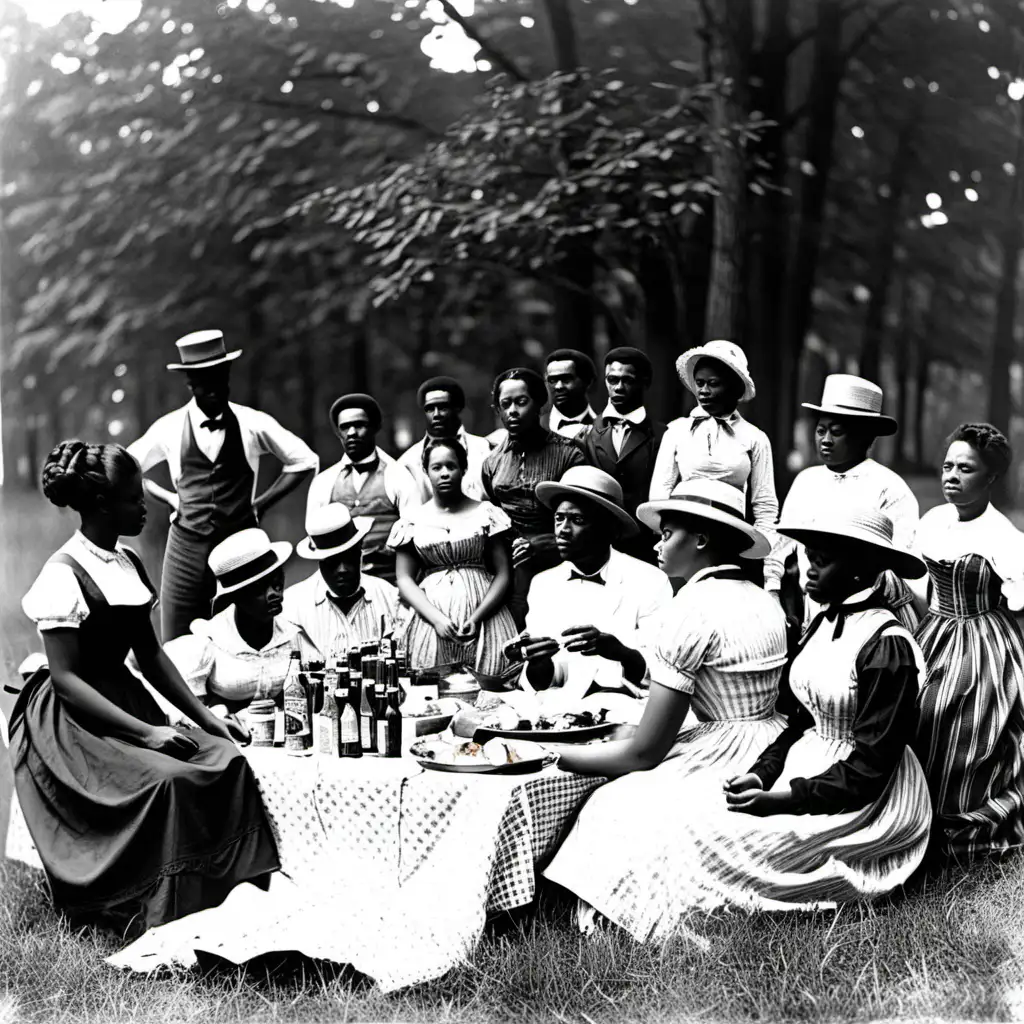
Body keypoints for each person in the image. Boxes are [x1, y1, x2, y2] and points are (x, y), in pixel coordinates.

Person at [545, 503, 930, 939]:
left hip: (864, 798)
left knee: (708, 835)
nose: (809, 565)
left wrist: (783, 799)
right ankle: (622, 902)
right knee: (686, 813)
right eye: (810, 553)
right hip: (806, 766)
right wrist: (760, 776)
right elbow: (798, 724)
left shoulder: (887, 647)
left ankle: (653, 912)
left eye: (826, 557)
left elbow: (870, 769)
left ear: (863, 568)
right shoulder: (823, 622)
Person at [15, 440, 278, 936]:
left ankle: (230, 893)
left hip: (124, 696)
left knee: (226, 758)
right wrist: (149, 734)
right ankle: (150, 905)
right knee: (168, 780)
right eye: (133, 499)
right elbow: (68, 680)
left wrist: (206, 717)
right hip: (78, 720)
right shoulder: (62, 575)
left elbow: (152, 658)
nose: (144, 507)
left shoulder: (129, 563)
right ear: (99, 505)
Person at [128, 330, 318, 641]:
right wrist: (167, 498)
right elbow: (128, 469)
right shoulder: (170, 427)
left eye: (219, 377)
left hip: (241, 547)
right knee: (177, 637)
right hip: (186, 548)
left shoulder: (252, 423)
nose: (213, 387)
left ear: (228, 374)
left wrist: (263, 503)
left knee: (244, 634)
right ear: (189, 382)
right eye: (203, 380)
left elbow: (303, 461)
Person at [912, 423, 1024, 862]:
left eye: (966, 469)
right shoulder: (933, 520)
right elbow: (921, 589)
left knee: (958, 713)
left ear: (991, 477)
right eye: (947, 466)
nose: (951, 476)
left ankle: (961, 824)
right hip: (935, 629)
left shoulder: (1005, 538)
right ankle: (914, 814)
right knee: (916, 706)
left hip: (981, 638)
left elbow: (1018, 606)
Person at [775, 373, 919, 628]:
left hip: (865, 609)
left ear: (865, 437)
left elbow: (895, 559)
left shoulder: (889, 487)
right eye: (821, 430)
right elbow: (784, 549)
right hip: (805, 608)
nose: (826, 440)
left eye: (837, 432)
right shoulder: (806, 481)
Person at [518, 466, 672, 701]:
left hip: (629, 711)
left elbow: (664, 672)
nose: (563, 530)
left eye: (577, 520)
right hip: (560, 713)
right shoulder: (543, 585)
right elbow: (546, 683)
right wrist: (538, 662)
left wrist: (621, 653)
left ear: (609, 530)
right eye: (559, 518)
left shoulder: (650, 581)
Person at [650, 340, 781, 591]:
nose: (704, 391)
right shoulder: (677, 431)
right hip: (683, 540)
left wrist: (769, 572)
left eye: (713, 383)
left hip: (729, 540)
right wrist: (670, 541)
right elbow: (659, 494)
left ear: (733, 387)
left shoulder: (755, 438)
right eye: (699, 383)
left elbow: (765, 507)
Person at [389, 438, 518, 679]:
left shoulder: (485, 512)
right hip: (431, 618)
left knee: (490, 682)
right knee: (435, 689)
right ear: (426, 471)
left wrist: (478, 616)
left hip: (485, 615)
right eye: (437, 468)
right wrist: (436, 619)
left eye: (451, 466)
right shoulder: (412, 520)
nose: (445, 473)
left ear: (464, 469)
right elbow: (404, 579)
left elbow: (503, 572)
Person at [481, 367, 588, 626]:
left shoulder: (569, 454)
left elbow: (584, 518)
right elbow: (494, 515)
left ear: (540, 403)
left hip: (559, 558)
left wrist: (543, 544)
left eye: (521, 402)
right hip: (508, 568)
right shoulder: (492, 462)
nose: (512, 412)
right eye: (505, 404)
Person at [163, 528, 303, 713]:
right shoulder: (211, 641)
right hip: (228, 737)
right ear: (236, 596)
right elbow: (188, 715)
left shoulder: (293, 633)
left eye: (277, 582)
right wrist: (220, 713)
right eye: (259, 589)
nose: (274, 594)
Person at [306, 393, 420, 585]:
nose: (351, 433)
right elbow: (314, 541)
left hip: (391, 586)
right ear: (338, 432)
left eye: (359, 425)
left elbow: (415, 534)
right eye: (344, 427)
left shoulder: (398, 476)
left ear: (375, 427)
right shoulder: (323, 482)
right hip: (342, 589)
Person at [283, 504, 402, 663]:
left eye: (348, 557)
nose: (342, 569)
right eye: (332, 561)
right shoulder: (293, 607)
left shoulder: (389, 597)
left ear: (361, 549)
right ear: (319, 560)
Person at [582, 347, 666, 564]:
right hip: (598, 546)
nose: (618, 387)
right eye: (612, 379)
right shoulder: (586, 435)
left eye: (627, 380)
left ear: (644, 382)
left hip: (646, 547)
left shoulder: (664, 436)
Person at [397, 376, 492, 503]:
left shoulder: (483, 449)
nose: (436, 414)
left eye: (443, 407)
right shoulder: (408, 462)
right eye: (430, 409)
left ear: (457, 408)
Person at [545, 348, 599, 439]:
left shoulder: (604, 428)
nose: (558, 386)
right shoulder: (535, 427)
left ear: (587, 382)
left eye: (566, 379)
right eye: (552, 380)